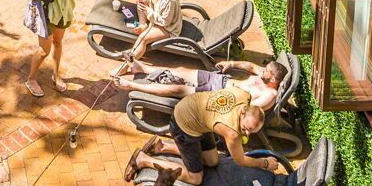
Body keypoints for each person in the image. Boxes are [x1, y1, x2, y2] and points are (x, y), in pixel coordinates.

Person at [136, 82, 284, 185]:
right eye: (246, 128)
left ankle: (162, 147)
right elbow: (240, 160)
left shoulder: (244, 96)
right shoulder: (231, 132)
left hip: (198, 114)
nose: (247, 133)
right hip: (184, 125)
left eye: (252, 131)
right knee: (196, 178)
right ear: (243, 113)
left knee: (213, 161)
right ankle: (143, 160)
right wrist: (265, 163)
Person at [116, 59, 287, 117]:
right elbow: (250, 67)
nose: (262, 70)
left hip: (218, 96)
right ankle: (142, 68)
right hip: (220, 80)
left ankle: (131, 86)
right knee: (182, 71)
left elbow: (247, 111)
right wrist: (232, 63)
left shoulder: (269, 95)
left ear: (273, 78)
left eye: (266, 71)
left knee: (178, 89)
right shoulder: (263, 76)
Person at [22, 0, 79, 98]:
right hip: (46, 15)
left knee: (58, 42)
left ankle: (56, 74)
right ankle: (31, 79)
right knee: (43, 51)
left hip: (63, 12)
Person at [115, 0, 183, 72]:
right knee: (140, 2)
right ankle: (143, 25)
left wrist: (148, 11)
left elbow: (165, 22)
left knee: (143, 38)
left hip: (168, 27)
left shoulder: (170, 0)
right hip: (154, 15)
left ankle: (125, 67)